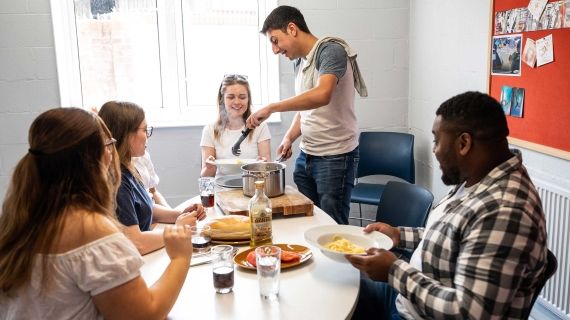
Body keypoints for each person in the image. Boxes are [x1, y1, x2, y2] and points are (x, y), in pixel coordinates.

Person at [346, 91, 548, 319]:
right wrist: (399, 235)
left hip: (417, 313)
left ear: (463, 143)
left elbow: (469, 312)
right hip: (411, 297)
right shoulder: (478, 178)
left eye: (436, 140)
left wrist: (394, 271)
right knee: (342, 282)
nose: (434, 150)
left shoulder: (504, 211)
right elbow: (453, 236)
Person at [0, 108, 193, 319]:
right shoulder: (91, 229)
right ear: (100, 156)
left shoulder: (17, 219)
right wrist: (180, 258)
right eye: (109, 143)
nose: (113, 149)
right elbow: (145, 315)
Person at [245, 5, 367, 224]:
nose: (275, 50)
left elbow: (322, 95)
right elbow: (306, 107)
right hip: (306, 156)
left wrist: (272, 107)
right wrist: (289, 137)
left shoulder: (331, 51)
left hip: (335, 157)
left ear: (292, 29)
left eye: (275, 40)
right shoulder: (300, 63)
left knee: (333, 226)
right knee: (310, 222)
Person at [99, 101, 206, 255]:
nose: (147, 135)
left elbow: (143, 207)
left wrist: (180, 215)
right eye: (144, 130)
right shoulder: (118, 182)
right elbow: (137, 243)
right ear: (127, 134)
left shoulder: (128, 167)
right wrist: (177, 229)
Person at [201, 74, 272, 178]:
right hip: (222, 190)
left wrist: (263, 166)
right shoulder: (210, 130)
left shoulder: (260, 127)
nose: (237, 102)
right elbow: (205, 177)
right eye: (230, 97)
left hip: (253, 188)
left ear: (248, 99)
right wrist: (209, 168)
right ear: (222, 99)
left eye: (242, 97)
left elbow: (267, 172)